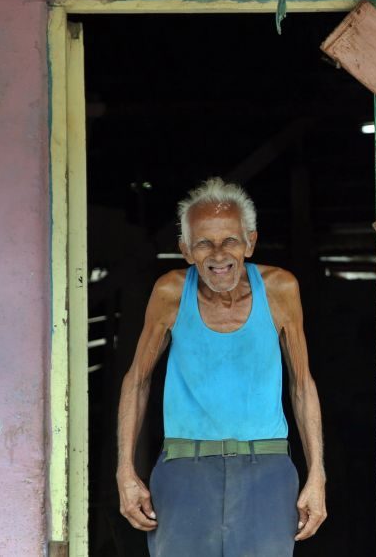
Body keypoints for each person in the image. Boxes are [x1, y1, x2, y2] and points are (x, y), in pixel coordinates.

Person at [116, 177, 327, 556]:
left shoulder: (280, 289)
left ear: (250, 242)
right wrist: (124, 472)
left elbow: (301, 384)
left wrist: (317, 477)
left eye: (230, 240)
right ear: (185, 250)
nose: (218, 254)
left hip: (267, 469)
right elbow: (137, 380)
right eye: (203, 242)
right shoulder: (170, 292)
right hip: (184, 467)